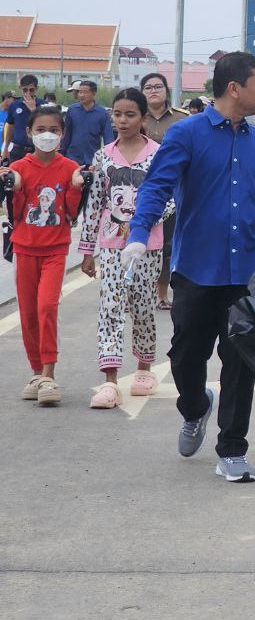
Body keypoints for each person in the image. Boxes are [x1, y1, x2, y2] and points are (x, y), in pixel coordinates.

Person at [123, 51, 255, 483]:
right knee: (185, 357)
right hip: (196, 268)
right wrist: (138, 234)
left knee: (240, 363)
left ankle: (232, 449)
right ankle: (195, 407)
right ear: (235, 88)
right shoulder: (187, 134)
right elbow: (157, 186)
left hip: (248, 271)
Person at [77, 89, 165, 409]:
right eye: (117, 114)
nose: (122, 120)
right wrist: (87, 250)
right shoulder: (103, 157)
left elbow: (170, 198)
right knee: (111, 307)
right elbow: (95, 203)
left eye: (130, 114)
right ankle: (110, 381)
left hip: (147, 246)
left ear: (143, 117)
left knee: (142, 307)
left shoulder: (159, 154)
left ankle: (143, 368)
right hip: (111, 244)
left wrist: (146, 220)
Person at [2, 105, 84, 406]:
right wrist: (13, 186)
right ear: (29, 132)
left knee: (46, 306)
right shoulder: (19, 167)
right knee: (28, 313)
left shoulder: (69, 167)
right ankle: (36, 372)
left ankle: (49, 374)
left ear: (62, 133)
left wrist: (76, 187)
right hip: (24, 248)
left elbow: (71, 213)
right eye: (40, 130)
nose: (47, 135)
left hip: (55, 249)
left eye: (53, 130)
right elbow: (16, 213)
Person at [140, 72, 189, 311]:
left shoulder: (182, 119)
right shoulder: (136, 117)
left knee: (166, 246)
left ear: (166, 91)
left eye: (158, 86)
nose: (153, 91)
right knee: (139, 239)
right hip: (139, 187)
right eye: (148, 87)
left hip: (173, 189)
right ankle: (136, 292)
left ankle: (161, 294)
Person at [61, 80, 115, 168]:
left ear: (94, 93)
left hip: (93, 160)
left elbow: (108, 138)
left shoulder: (102, 113)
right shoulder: (72, 110)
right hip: (72, 158)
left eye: (85, 92)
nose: (82, 95)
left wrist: (109, 158)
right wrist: (62, 153)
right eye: (80, 92)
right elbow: (67, 134)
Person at [2, 74, 41, 164]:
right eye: (25, 90)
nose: (28, 93)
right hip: (18, 149)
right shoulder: (14, 105)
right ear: (20, 88)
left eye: (31, 90)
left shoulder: (43, 105)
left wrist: (33, 110)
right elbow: (10, 128)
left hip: (37, 149)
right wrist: (6, 148)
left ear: (36, 89)